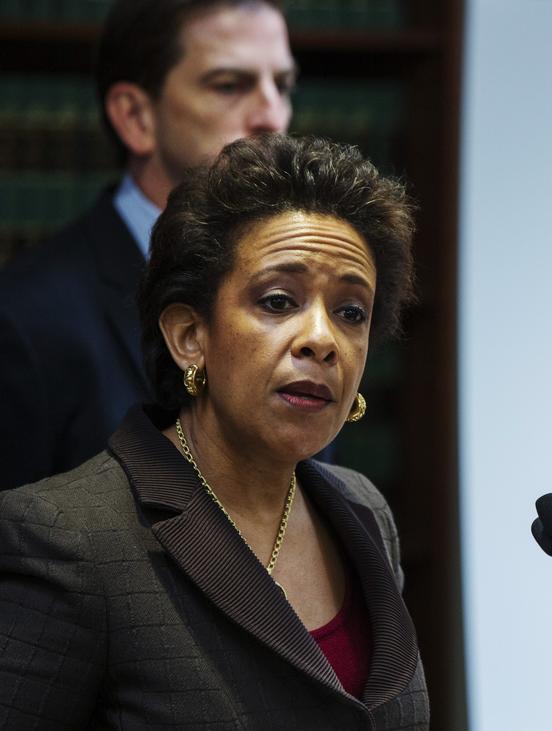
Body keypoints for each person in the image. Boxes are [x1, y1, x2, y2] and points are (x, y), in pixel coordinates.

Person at [0, 134, 429, 726]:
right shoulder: (64, 538)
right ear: (189, 336)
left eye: (351, 312)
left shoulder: (365, 513)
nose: (322, 340)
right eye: (278, 301)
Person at [0, 0, 295, 489]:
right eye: (230, 85)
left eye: (281, 86)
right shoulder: (23, 319)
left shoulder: (313, 299)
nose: (272, 116)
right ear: (135, 116)